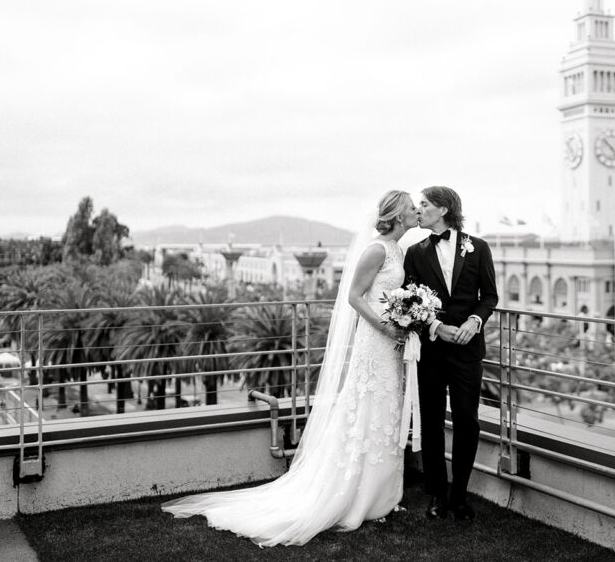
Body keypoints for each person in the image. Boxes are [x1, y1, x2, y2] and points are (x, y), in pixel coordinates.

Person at [161, 191, 421, 546]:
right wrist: (385, 324)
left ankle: (381, 498)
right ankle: (355, 497)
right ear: (396, 215)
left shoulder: (398, 250)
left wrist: (406, 316)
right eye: (411, 207)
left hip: (390, 344)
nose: (416, 211)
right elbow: (354, 297)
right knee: (366, 411)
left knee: (385, 411)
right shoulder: (375, 249)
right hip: (374, 342)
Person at [404, 186, 498, 521]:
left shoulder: (479, 248)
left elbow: (489, 296)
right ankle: (437, 495)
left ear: (443, 209)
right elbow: (411, 301)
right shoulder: (415, 252)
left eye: (425, 204)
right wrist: (435, 326)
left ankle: (460, 494)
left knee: (466, 421)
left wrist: (475, 321)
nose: (419, 209)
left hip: (468, 350)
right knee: (430, 422)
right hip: (431, 350)